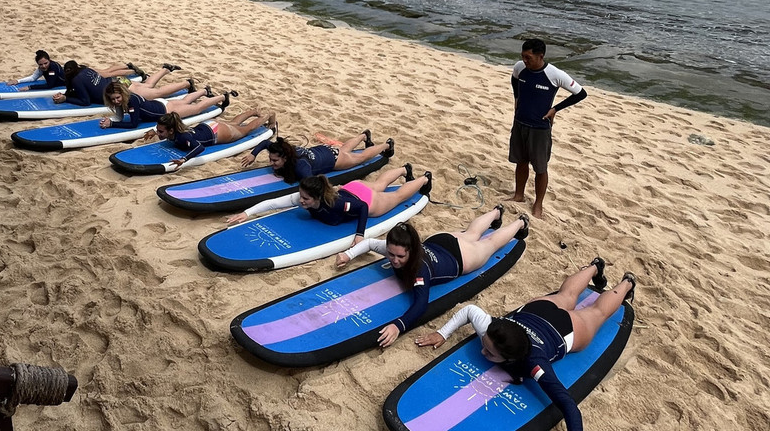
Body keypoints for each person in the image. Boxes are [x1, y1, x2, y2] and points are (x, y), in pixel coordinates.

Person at [414, 260, 637, 431]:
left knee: (595, 312)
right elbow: (470, 310)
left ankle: (626, 282)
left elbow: (567, 404)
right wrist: (442, 333)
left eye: (489, 353)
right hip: (536, 312)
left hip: (563, 329)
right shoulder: (492, 332)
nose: (482, 351)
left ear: (511, 358)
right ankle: (596, 268)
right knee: (567, 295)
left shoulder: (535, 364)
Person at [334, 205, 531, 348]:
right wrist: (348, 255)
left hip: (461, 257)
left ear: (412, 251)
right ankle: (496, 212)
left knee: (491, 243)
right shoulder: (394, 249)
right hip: (441, 241)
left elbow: (420, 304)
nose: (394, 260)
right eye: (391, 254)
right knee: (471, 233)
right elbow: (369, 243)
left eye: (400, 256)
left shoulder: (420, 270)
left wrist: (398, 326)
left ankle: (520, 223)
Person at [225, 166, 434, 251]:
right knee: (379, 184)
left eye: (306, 199)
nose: (301, 201)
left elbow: (361, 207)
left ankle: (425, 178)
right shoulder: (303, 197)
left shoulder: (336, 204)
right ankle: (404, 169)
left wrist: (359, 235)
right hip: (351, 187)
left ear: (316, 197)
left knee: (395, 196)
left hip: (365, 200)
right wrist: (246, 213)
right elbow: (273, 203)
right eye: (301, 196)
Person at [506, 38, 587, 218]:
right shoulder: (520, 67)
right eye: (523, 57)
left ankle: (538, 204)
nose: (525, 61)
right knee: (521, 161)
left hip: (539, 128)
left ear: (540, 56)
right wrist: (516, 98)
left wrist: (555, 109)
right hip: (519, 123)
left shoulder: (554, 74)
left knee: (540, 168)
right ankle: (518, 195)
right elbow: (514, 79)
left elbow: (581, 93)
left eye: (529, 58)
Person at [242, 131, 395, 182]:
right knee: (344, 149)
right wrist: (253, 154)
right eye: (271, 159)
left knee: (360, 158)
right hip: (324, 150)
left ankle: (386, 146)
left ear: (285, 158)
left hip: (334, 160)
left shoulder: (301, 167)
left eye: (275, 160)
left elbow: (312, 183)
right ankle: (363, 135)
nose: (271, 162)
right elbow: (264, 143)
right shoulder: (283, 149)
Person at [150, 110, 277, 168]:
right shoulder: (176, 129)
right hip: (207, 125)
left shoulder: (183, 136)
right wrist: (154, 132)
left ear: (171, 130)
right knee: (232, 123)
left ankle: (269, 114)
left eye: (160, 131)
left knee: (245, 130)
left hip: (216, 133)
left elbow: (200, 147)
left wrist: (184, 159)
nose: (159, 133)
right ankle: (253, 111)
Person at [98, 80, 229, 130]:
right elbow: (120, 117)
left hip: (165, 110)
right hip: (158, 104)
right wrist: (111, 120)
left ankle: (223, 97)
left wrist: (112, 124)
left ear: (123, 93)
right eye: (113, 99)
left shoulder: (132, 100)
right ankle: (205, 91)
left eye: (117, 98)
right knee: (184, 101)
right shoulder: (124, 99)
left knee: (196, 108)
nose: (116, 101)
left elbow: (133, 124)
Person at [50, 61, 189, 106]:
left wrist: (66, 98)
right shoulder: (85, 69)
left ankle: (186, 84)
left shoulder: (76, 80)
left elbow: (85, 101)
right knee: (147, 86)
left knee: (155, 93)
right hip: (118, 81)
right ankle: (165, 69)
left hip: (118, 89)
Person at [7, 50, 132, 90]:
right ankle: (128, 65)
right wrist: (18, 81)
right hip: (79, 69)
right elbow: (33, 78)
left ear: (49, 60)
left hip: (81, 73)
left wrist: (30, 88)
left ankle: (132, 72)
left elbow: (50, 85)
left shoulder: (54, 68)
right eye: (41, 65)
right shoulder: (43, 68)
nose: (43, 66)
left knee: (107, 73)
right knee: (106, 70)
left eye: (45, 63)